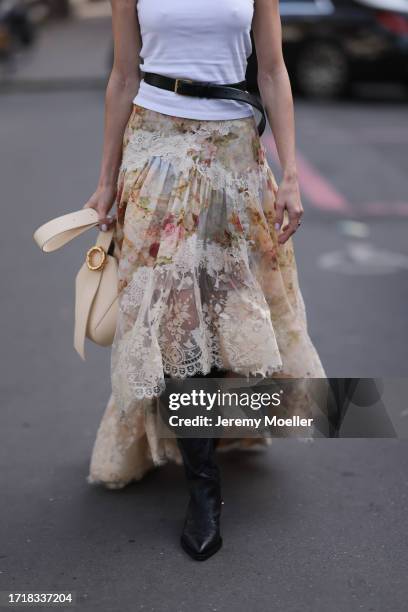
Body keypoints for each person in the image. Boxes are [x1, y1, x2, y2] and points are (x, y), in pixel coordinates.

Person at [85, 0, 326, 561]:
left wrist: (289, 173)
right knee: (174, 322)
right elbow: (123, 76)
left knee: (223, 308)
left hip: (233, 151)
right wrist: (104, 179)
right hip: (154, 145)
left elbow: (272, 70)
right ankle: (203, 486)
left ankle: (210, 440)